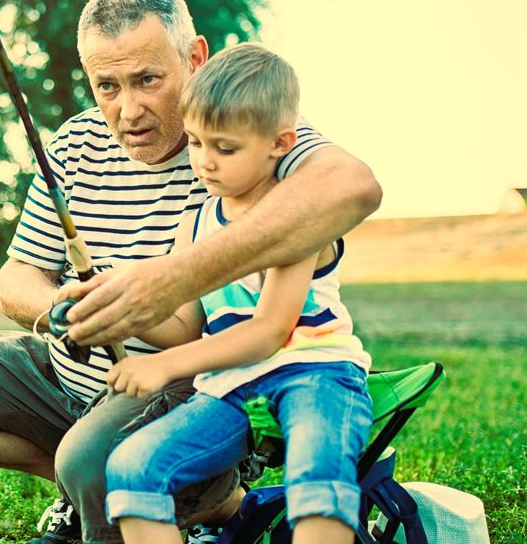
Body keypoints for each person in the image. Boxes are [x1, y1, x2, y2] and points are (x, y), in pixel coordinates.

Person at [0, 0, 382, 544]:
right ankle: (89, 493)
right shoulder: (72, 144)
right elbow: (17, 277)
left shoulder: (246, 134)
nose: (129, 110)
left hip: (184, 387)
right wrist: (68, 310)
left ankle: (166, 493)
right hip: (69, 376)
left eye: (147, 80)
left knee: (91, 460)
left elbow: (352, 186)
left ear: (194, 58)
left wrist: (165, 283)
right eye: (107, 87)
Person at [103, 42, 373, 544]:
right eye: (195, 142)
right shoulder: (195, 223)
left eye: (224, 148)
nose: (204, 162)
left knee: (317, 477)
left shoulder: (297, 218)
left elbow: (268, 331)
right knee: (132, 468)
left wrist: (164, 366)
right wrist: (114, 305)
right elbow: (183, 325)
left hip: (313, 374)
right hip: (230, 387)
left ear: (279, 143)